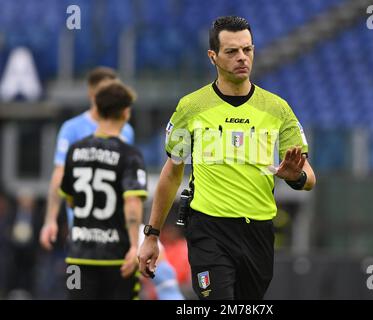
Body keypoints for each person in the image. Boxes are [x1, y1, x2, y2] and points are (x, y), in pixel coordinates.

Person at [138, 16, 316, 300]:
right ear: (213, 57)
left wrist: (298, 177)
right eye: (232, 51)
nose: (242, 58)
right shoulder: (191, 107)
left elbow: (308, 177)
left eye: (247, 50)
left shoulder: (278, 109)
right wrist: (152, 234)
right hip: (209, 229)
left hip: (258, 231)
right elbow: (172, 172)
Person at [58, 81, 147, 299]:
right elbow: (133, 203)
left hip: (78, 257)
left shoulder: (75, 150)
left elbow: (71, 199)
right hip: (116, 258)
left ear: (96, 110)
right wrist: (135, 246)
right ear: (126, 112)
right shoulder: (130, 155)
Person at [40, 67, 134, 249]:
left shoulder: (127, 131)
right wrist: (51, 220)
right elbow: (59, 174)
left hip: (116, 225)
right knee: (78, 275)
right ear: (92, 94)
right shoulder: (72, 129)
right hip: (82, 226)